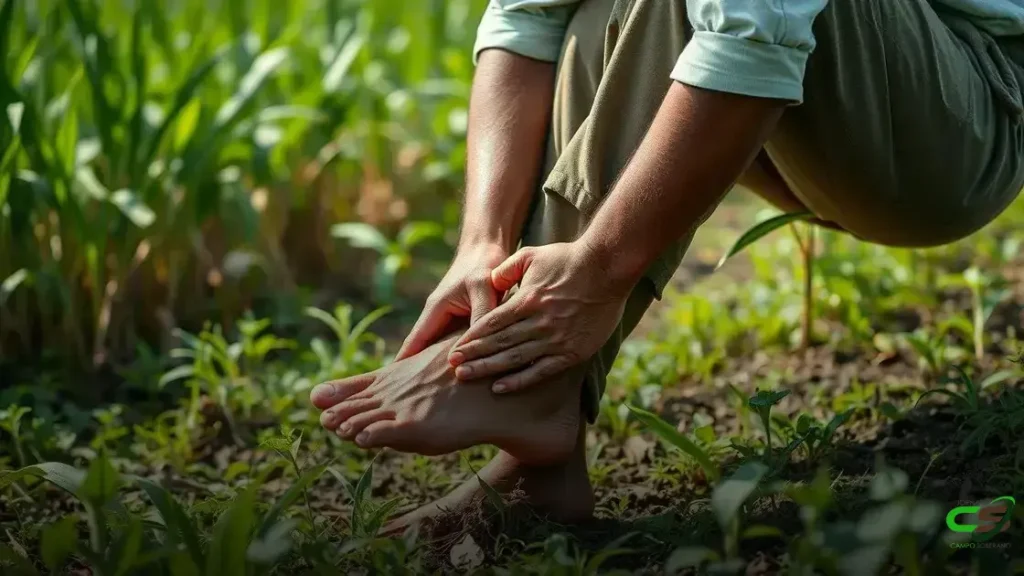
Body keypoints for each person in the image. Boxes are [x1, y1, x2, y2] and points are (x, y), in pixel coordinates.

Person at [311, 0, 1024, 530]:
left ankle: (523, 382)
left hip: (970, 109)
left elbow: (754, 30)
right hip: (796, 111)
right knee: (592, 13)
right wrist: (482, 241)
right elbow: (525, 20)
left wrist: (598, 269)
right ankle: (538, 441)